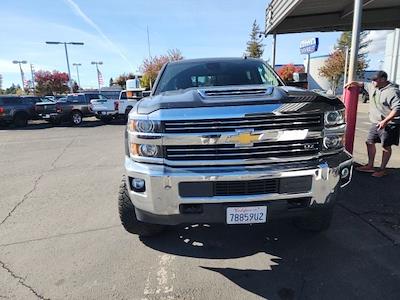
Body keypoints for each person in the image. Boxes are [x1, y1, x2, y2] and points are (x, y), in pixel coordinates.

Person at [346, 71, 400, 177]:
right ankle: (370, 165)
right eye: (372, 79)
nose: (373, 81)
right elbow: (363, 84)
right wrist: (353, 82)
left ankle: (382, 169)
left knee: (386, 146)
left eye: (375, 80)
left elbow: (397, 109)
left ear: (383, 79)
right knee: (369, 142)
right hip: (375, 122)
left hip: (389, 124)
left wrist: (385, 121)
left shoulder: (392, 91)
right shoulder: (373, 86)